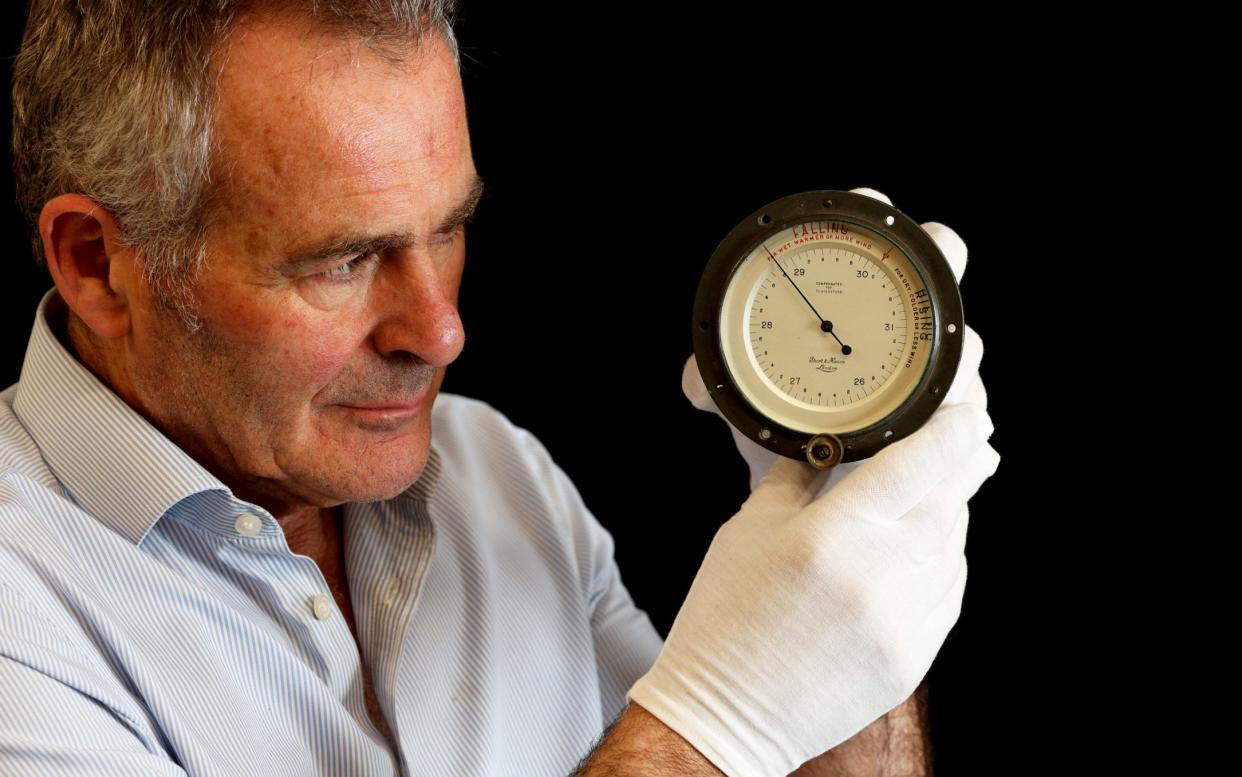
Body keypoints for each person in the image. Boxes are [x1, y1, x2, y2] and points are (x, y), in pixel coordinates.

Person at [0, 2, 1000, 776]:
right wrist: (711, 726)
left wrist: (848, 536)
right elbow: (707, 744)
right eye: (345, 261)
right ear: (97, 263)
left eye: (449, 232)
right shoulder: (21, 617)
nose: (440, 330)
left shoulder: (498, 474)